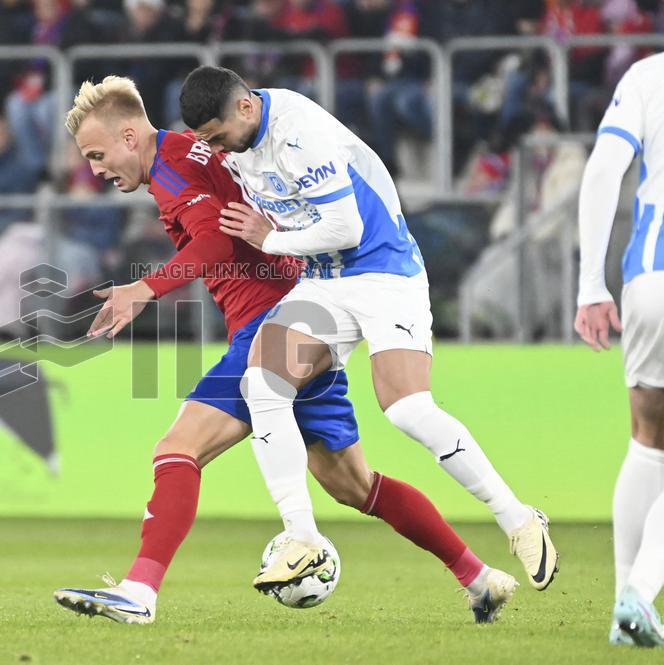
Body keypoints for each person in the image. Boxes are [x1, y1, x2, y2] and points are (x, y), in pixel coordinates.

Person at [51, 75, 517, 625]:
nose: (94, 170)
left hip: (271, 325)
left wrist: (144, 288)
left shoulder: (176, 169)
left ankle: (140, 591)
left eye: (97, 154)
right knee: (354, 485)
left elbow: (215, 240)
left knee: (176, 450)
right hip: (305, 314)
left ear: (131, 136)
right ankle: (480, 578)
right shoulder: (188, 154)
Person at [178, 66, 558, 591]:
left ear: (245, 108)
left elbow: (346, 226)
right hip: (323, 280)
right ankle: (303, 540)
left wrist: (269, 241)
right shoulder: (232, 140)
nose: (217, 150)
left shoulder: (297, 132)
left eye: (218, 137)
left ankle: (517, 519)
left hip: (382, 271)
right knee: (262, 383)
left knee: (406, 408)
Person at [574, 52, 664, 648]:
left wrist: (590, 283)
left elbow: (604, 170)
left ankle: (622, 611)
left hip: (649, 280)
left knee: (649, 439)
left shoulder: (648, 74)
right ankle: (641, 589)